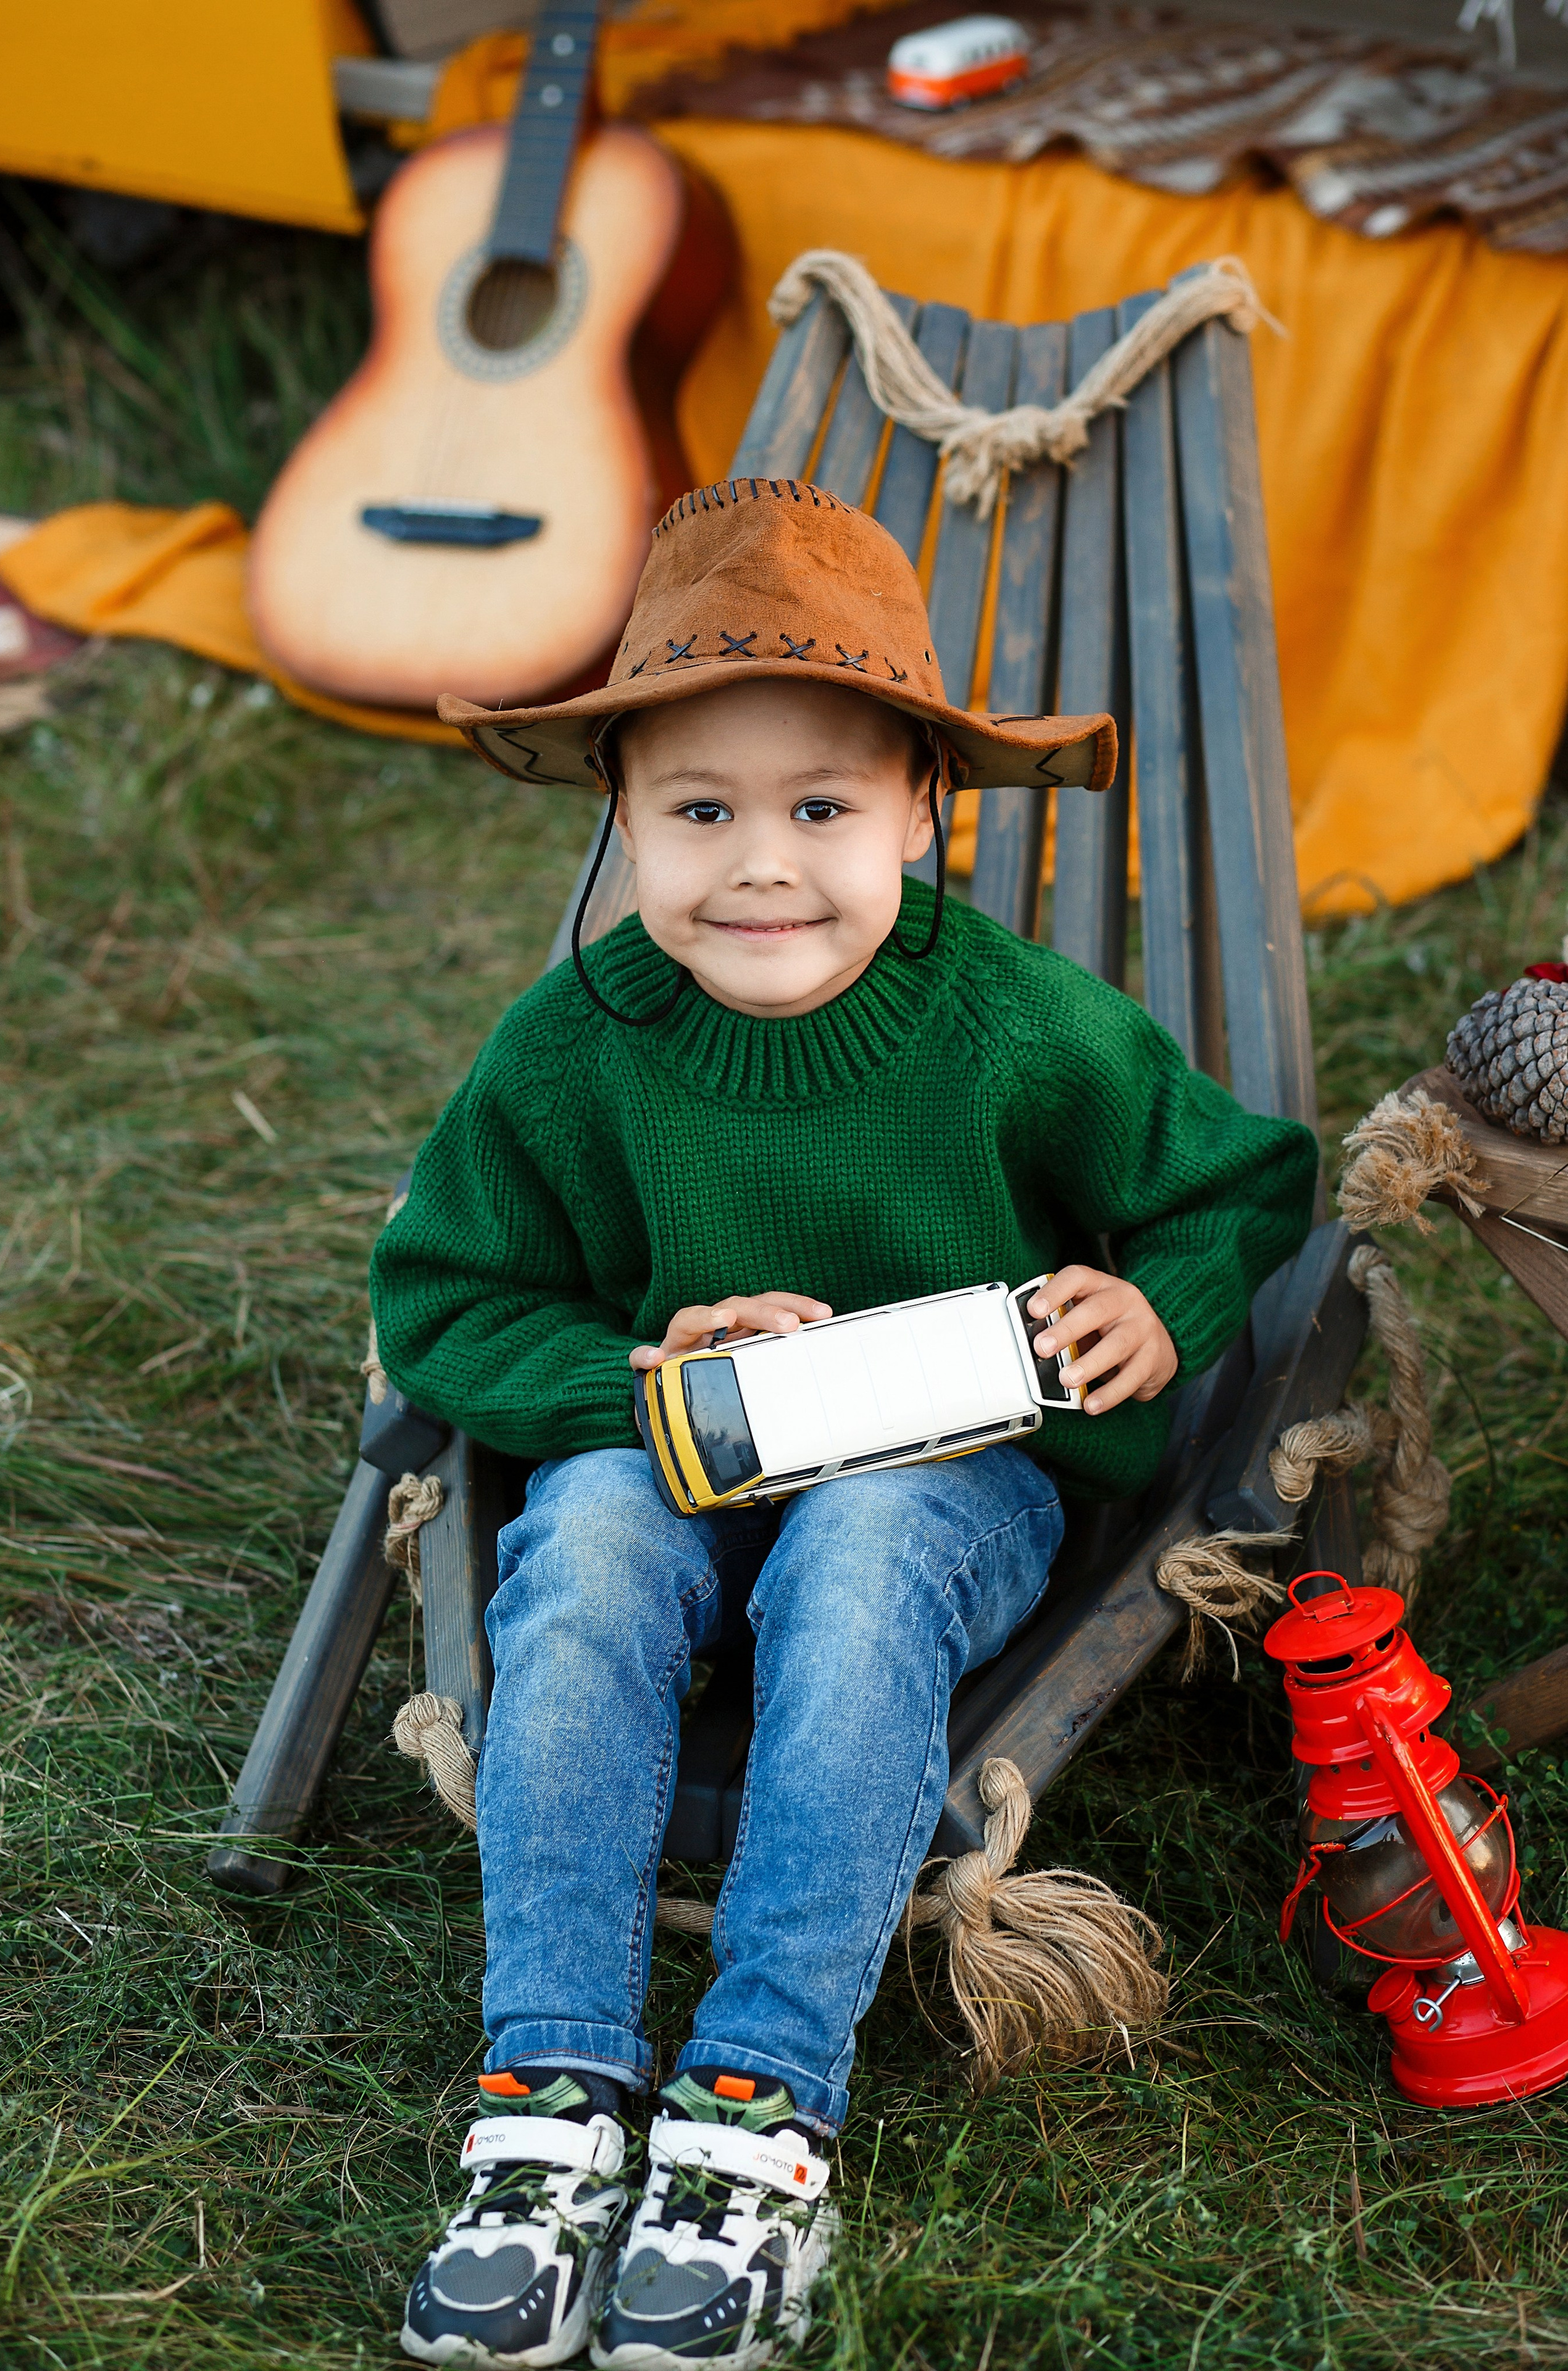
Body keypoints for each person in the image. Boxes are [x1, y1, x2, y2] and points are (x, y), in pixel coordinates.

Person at [372, 479, 1318, 2371]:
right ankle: (549, 2085)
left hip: (952, 1460)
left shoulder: (1018, 1028)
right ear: (621, 821)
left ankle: (757, 2111)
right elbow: (444, 1302)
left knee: (866, 1552)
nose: (761, 866)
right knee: (584, 1560)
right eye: (699, 812)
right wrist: (633, 1375)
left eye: (821, 809)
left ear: (920, 811)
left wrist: (1158, 1302)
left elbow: (1243, 1184)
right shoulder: (572, 1050)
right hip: (688, 1435)